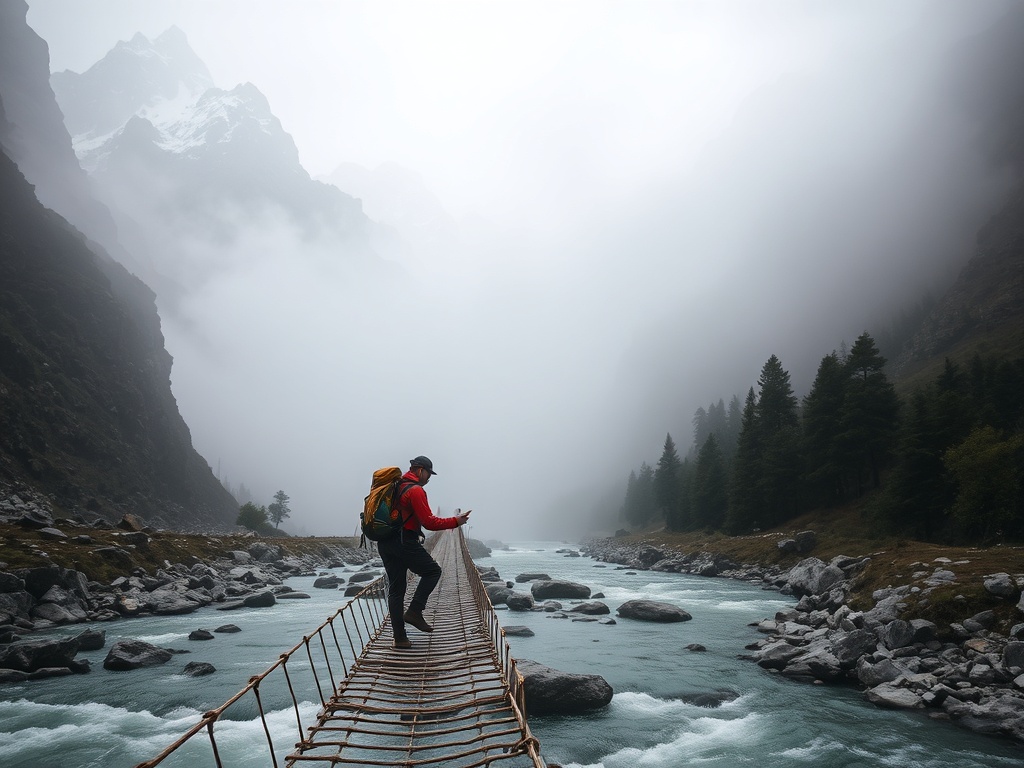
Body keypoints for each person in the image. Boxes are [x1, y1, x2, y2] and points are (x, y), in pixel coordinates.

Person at [377, 455, 471, 649]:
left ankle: (400, 639)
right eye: (428, 474)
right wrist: (456, 521)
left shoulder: (394, 487)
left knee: (396, 590)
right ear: (420, 471)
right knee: (433, 571)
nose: (429, 479)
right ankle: (415, 611)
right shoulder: (415, 491)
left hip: (385, 543)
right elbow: (429, 522)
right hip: (405, 541)